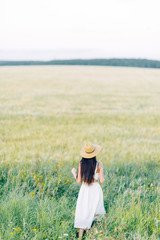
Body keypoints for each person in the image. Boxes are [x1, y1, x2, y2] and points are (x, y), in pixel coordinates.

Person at [71, 141, 106, 239]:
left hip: (85, 189)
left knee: (84, 210)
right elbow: (102, 180)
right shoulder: (99, 164)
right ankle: (95, 234)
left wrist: (74, 173)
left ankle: (80, 236)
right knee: (95, 210)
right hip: (95, 189)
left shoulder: (81, 164)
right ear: (94, 153)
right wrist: (101, 171)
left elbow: (78, 181)